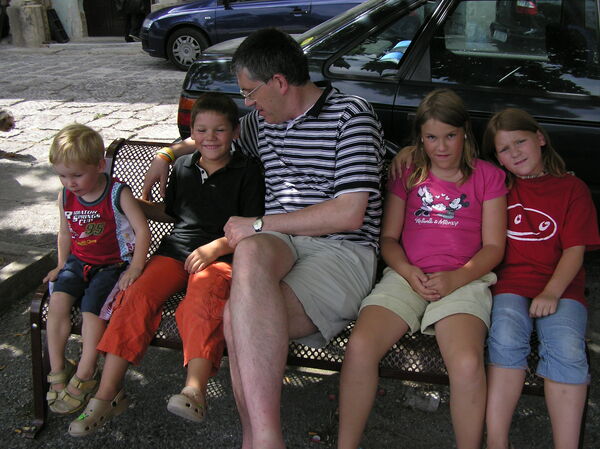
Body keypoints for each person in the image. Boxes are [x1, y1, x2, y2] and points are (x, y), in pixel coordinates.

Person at [141, 28, 385, 449]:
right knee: (251, 252)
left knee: (237, 317)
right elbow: (211, 137)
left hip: (340, 248)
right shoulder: (263, 123)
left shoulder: (351, 116)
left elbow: (350, 212)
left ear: (279, 82)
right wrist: (168, 154)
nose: (247, 103)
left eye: (250, 92)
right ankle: (268, 440)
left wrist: (257, 224)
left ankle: (255, 439)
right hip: (279, 245)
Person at [68, 93, 265, 437]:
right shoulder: (184, 167)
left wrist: (215, 248)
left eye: (219, 130)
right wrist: (133, 204)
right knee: (136, 295)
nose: (210, 137)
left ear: (235, 132)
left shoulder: (248, 170)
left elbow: (253, 225)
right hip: (175, 251)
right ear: (192, 133)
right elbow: (171, 213)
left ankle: (194, 390)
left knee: (203, 300)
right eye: (201, 130)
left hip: (223, 254)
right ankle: (107, 394)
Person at [337, 89, 507, 449]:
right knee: (360, 346)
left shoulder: (488, 177)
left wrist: (457, 278)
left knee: (466, 363)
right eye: (431, 137)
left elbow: (494, 247)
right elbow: (388, 239)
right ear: (421, 138)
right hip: (406, 275)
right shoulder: (409, 173)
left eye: (450, 135)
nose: (441, 146)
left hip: (464, 279)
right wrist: (407, 270)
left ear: (465, 132)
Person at [482, 108, 600, 449]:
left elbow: (575, 250)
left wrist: (550, 292)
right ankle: (498, 441)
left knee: (566, 346)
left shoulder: (572, 188)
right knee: (505, 335)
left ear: (540, 138)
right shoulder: (498, 186)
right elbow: (452, 164)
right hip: (511, 285)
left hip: (561, 287)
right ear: (498, 159)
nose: (515, 153)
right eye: (504, 149)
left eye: (520, 142)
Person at [44, 123, 150, 415]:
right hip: (78, 262)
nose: (70, 183)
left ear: (100, 165)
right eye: (62, 176)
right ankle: (57, 370)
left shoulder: (117, 193)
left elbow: (142, 230)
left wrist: (136, 267)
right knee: (57, 301)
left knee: (92, 310)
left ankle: (86, 371)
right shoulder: (66, 195)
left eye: (77, 175)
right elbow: (65, 232)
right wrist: (61, 264)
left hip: (112, 265)